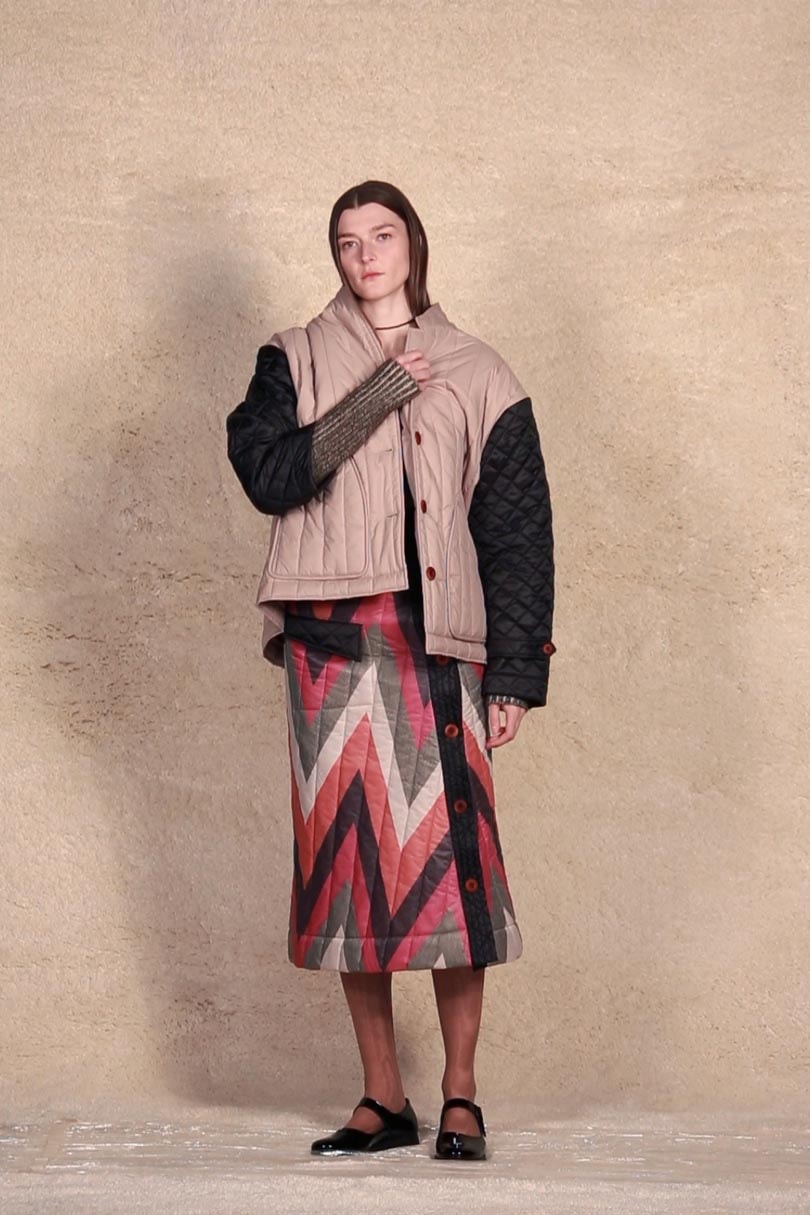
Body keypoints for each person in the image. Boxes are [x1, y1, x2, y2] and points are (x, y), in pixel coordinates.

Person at [225, 180, 556, 1161]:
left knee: (453, 873)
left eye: (381, 234)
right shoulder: (293, 357)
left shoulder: (480, 371)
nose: (365, 253)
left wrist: (513, 675)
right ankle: (382, 1096)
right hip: (329, 648)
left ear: (413, 243)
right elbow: (269, 476)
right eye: (346, 239)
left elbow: (517, 534)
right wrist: (376, 395)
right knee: (350, 878)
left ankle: (460, 1095)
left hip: (438, 644)